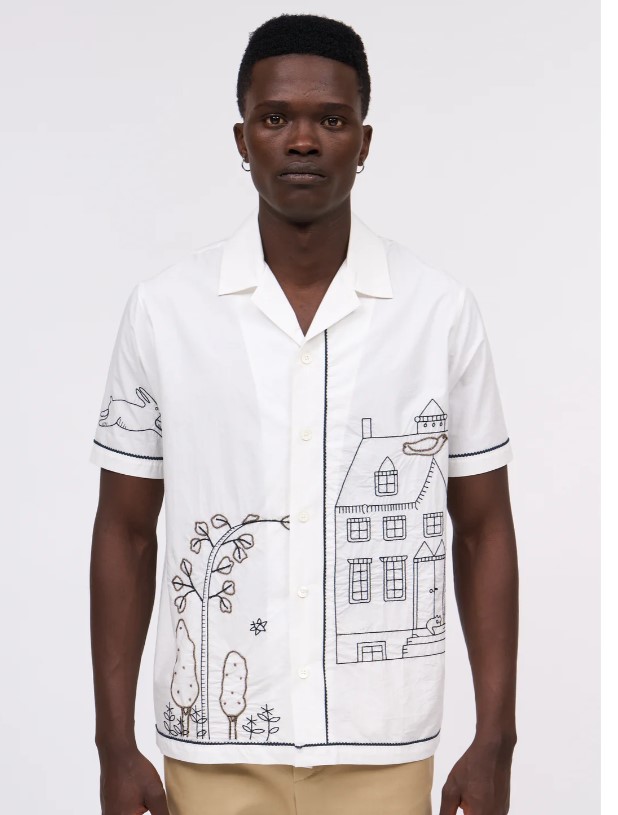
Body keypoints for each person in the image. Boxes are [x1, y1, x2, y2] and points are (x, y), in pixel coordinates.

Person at [90, 13, 518, 815]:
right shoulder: (164, 313)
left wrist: (496, 736)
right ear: (242, 138)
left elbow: (484, 527)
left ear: (364, 141)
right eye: (275, 117)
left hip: (383, 746)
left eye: (331, 120)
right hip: (213, 751)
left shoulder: (439, 313)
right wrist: (114, 744)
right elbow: (124, 530)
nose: (302, 141)